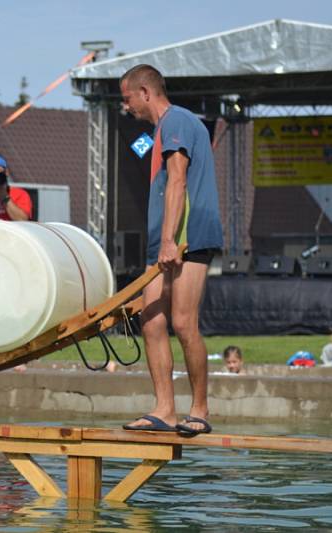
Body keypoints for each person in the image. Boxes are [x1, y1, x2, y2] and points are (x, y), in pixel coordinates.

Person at [119, 65, 223, 435]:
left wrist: (168, 241)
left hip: (187, 236)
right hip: (162, 239)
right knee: (151, 320)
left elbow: (178, 179)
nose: (126, 106)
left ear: (145, 92)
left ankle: (200, 409)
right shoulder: (160, 129)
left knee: (182, 321)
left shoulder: (176, 121)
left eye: (127, 98)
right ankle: (165, 409)